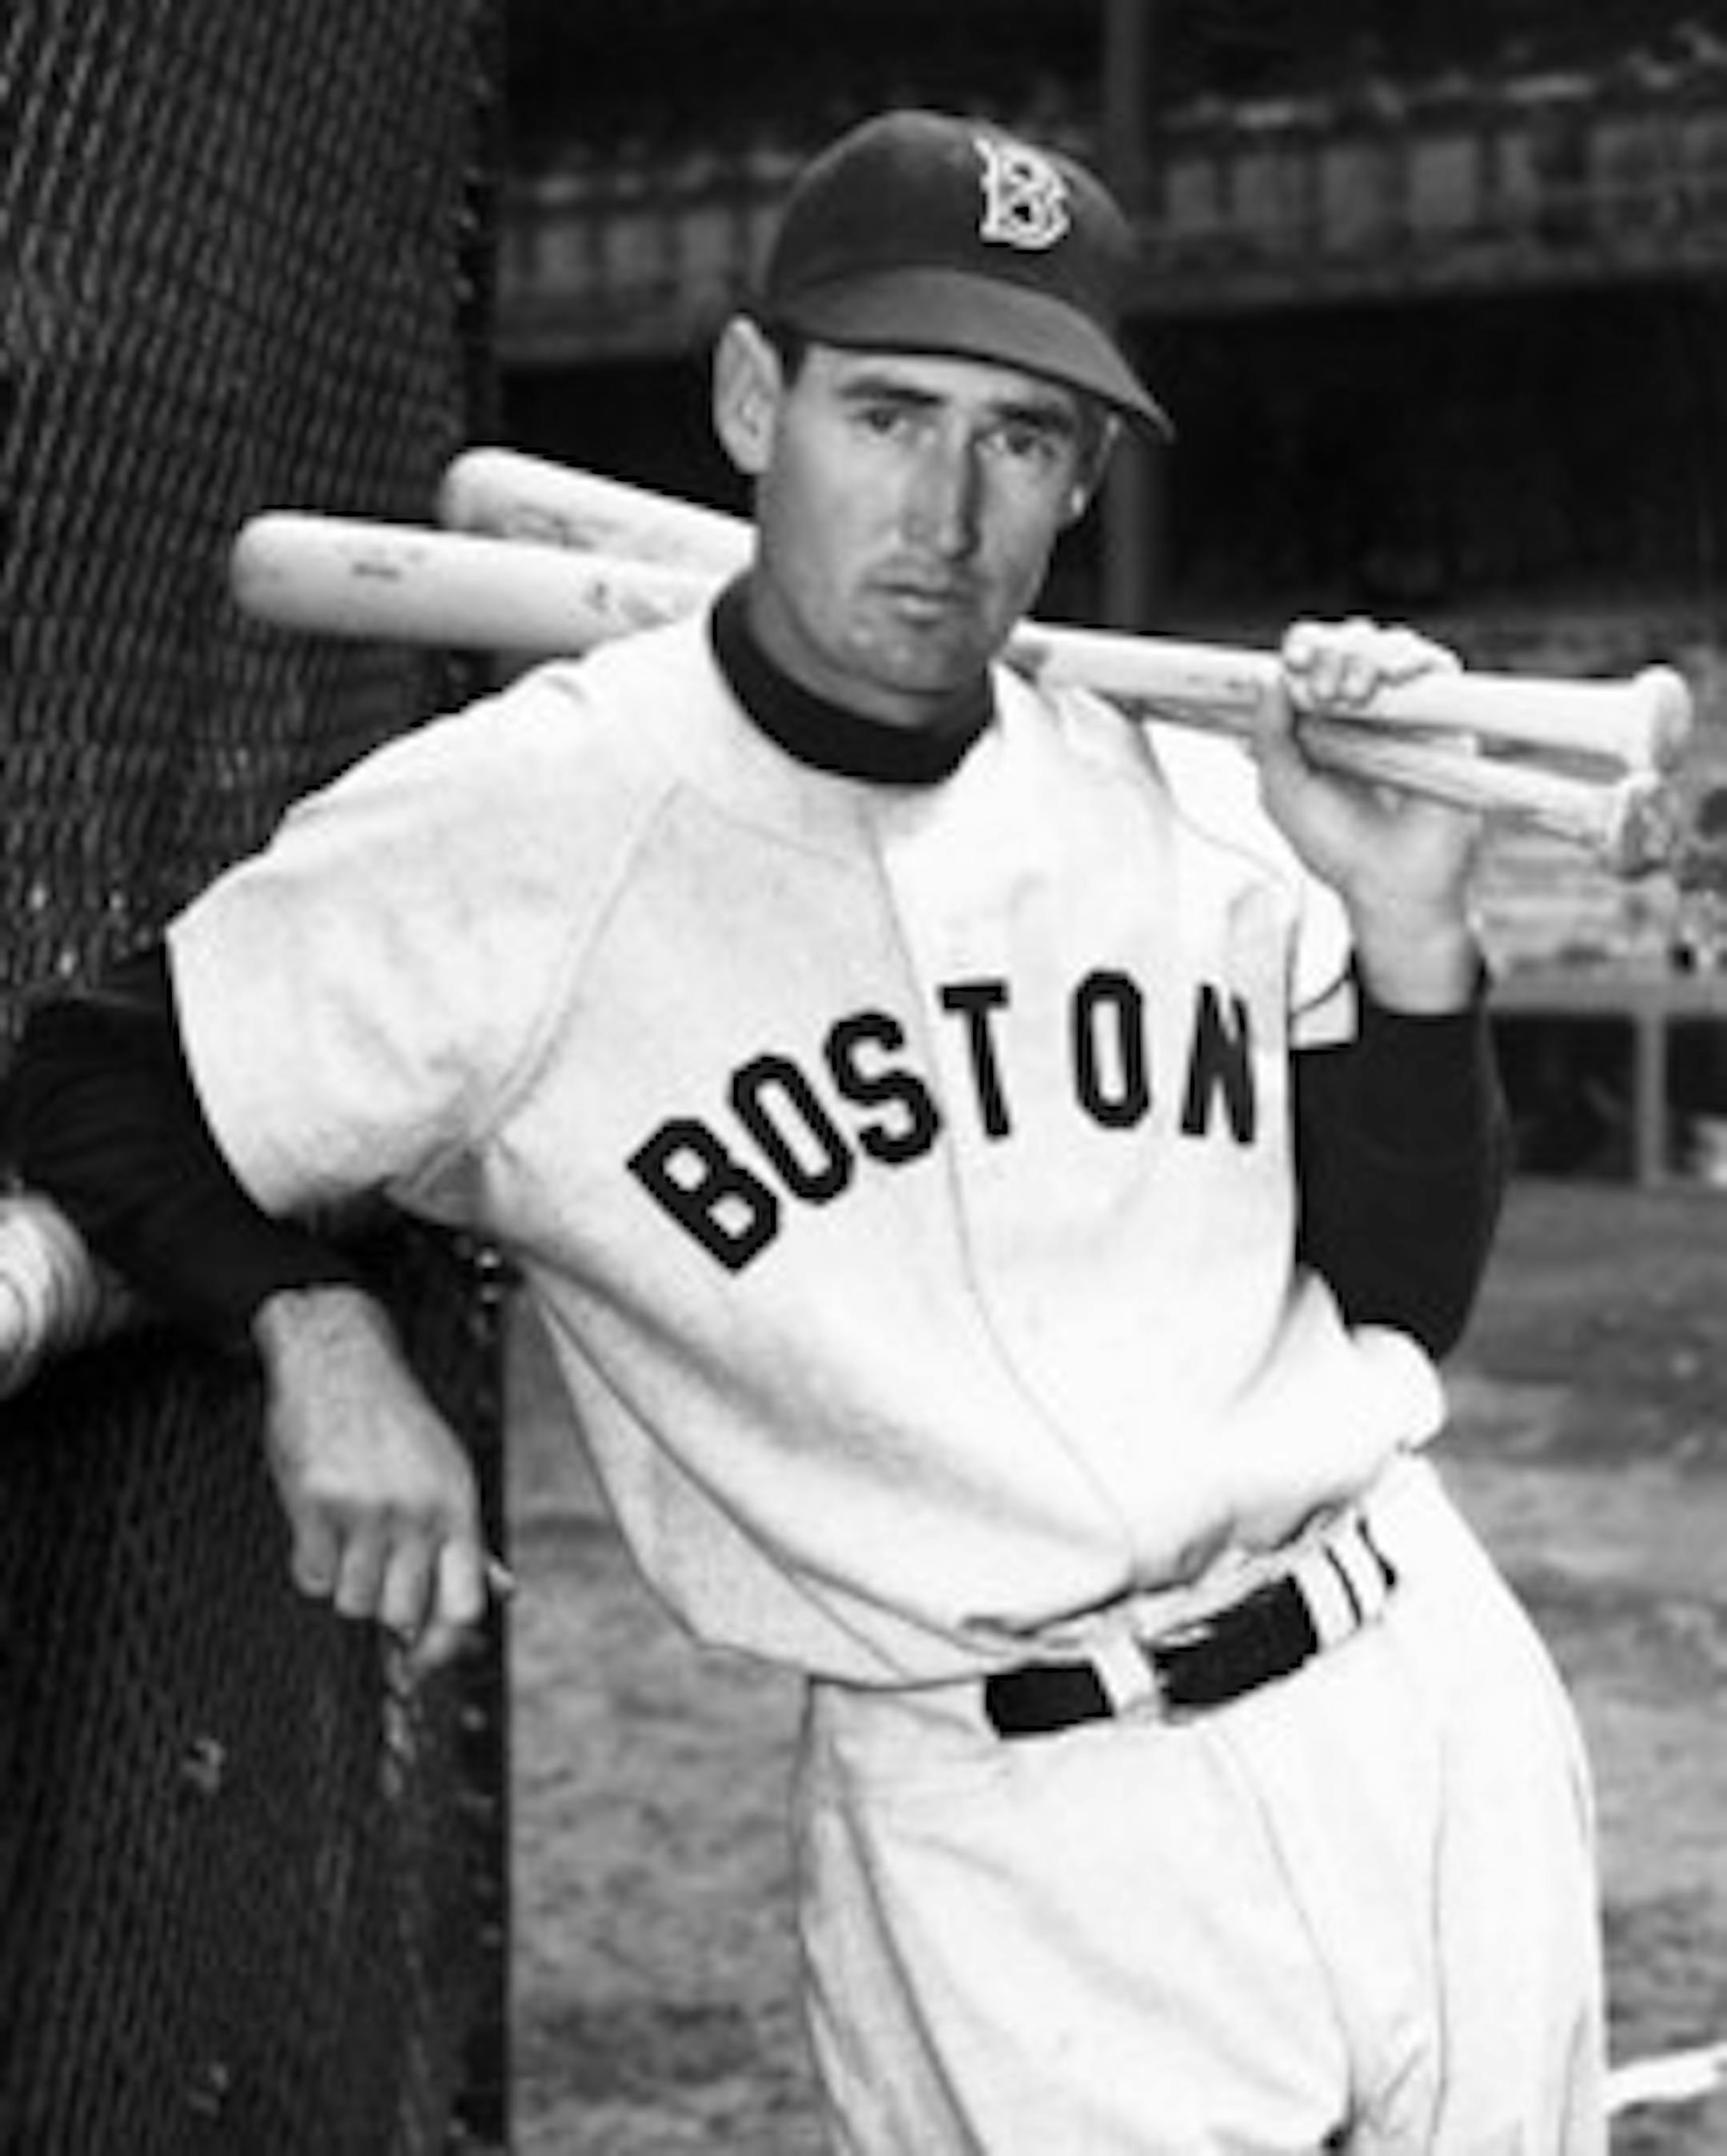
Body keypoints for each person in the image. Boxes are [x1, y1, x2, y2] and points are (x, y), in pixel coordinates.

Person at [6, 108, 1604, 2153]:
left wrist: (1410, 931)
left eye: (1020, 437)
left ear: (1081, 479)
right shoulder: (527, 824)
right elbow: (98, 1070)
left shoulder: (1192, 795)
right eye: (889, 412)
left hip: (1421, 1696)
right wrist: (312, 1329)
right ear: (755, 402)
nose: (946, 509)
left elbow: (1401, 1294)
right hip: (1017, 1828)